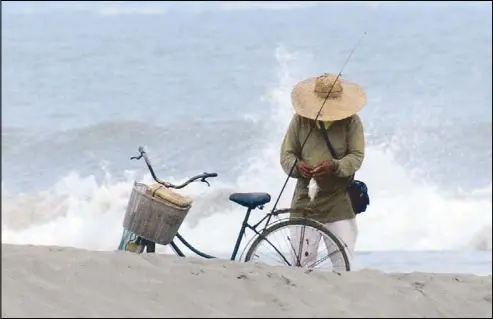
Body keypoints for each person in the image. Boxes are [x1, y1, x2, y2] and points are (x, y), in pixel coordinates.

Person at [280, 73, 366, 269]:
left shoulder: (351, 122)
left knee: (344, 265)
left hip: (338, 202)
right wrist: (298, 167)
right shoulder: (300, 121)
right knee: (301, 265)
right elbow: (286, 155)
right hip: (304, 200)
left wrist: (334, 166)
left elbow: (356, 157)